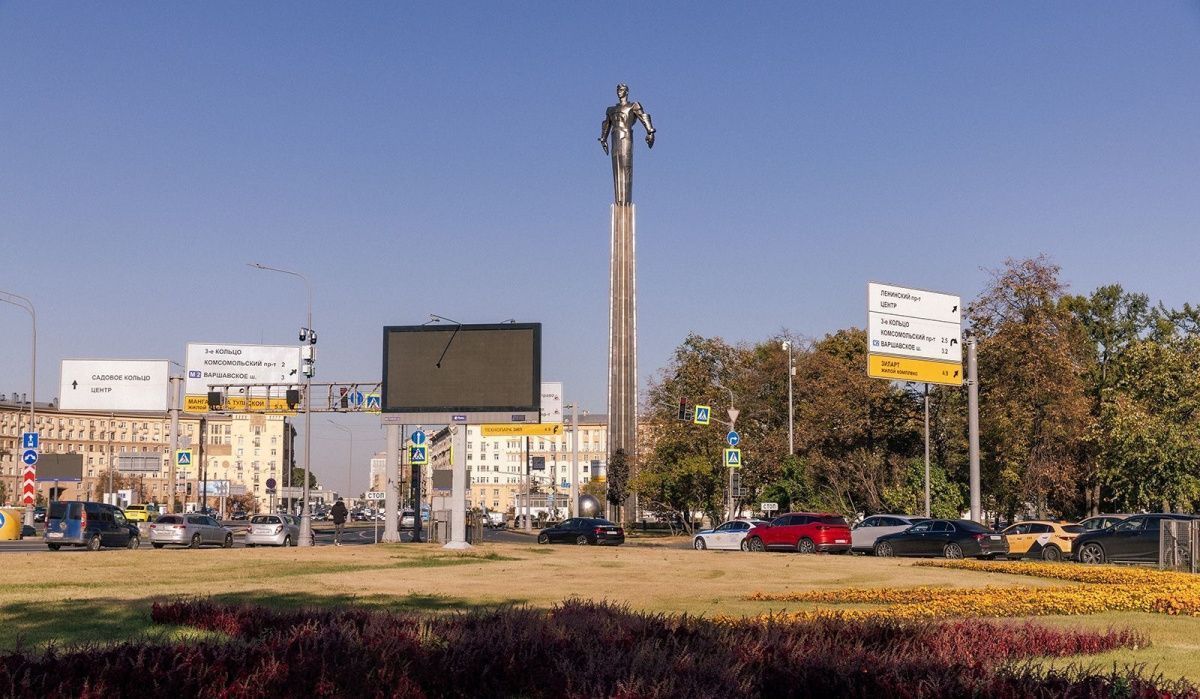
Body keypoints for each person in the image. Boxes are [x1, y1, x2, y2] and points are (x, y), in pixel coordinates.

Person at [599, 83, 655, 205]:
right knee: (617, 168)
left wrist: (650, 131)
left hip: (626, 136)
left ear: (627, 92)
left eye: (622, 89)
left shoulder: (633, 106)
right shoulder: (611, 110)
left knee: (626, 167)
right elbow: (606, 124)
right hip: (615, 138)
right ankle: (619, 202)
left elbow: (643, 117)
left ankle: (626, 202)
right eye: (618, 89)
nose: (619, 91)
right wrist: (603, 138)